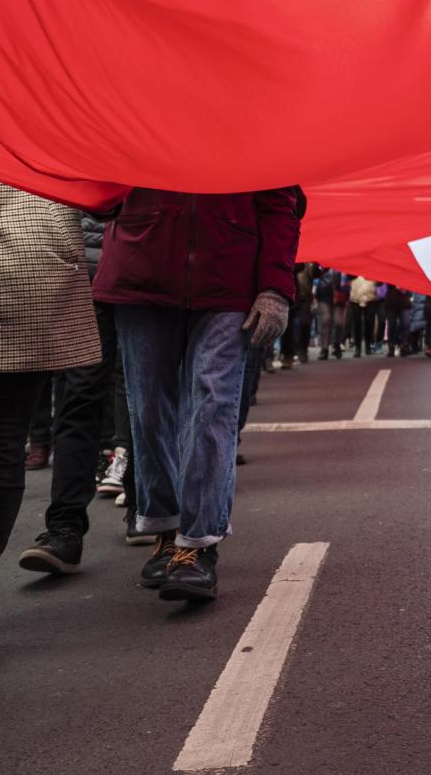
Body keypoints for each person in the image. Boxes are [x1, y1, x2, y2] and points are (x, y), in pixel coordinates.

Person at [94, 187, 301, 603]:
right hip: (143, 265)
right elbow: (98, 178)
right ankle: (167, 532)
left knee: (212, 405)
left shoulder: (263, 122)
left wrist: (275, 286)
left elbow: (281, 198)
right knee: (149, 410)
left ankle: (198, 544)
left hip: (229, 273)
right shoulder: (137, 118)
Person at [0, 183, 102, 575]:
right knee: (4, 440)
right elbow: (105, 199)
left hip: (31, 268)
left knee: (7, 437)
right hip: (35, 270)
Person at [16, 209, 127, 574]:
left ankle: (150, 506)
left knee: (147, 398)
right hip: (84, 278)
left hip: (145, 275)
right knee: (79, 400)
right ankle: (64, 528)